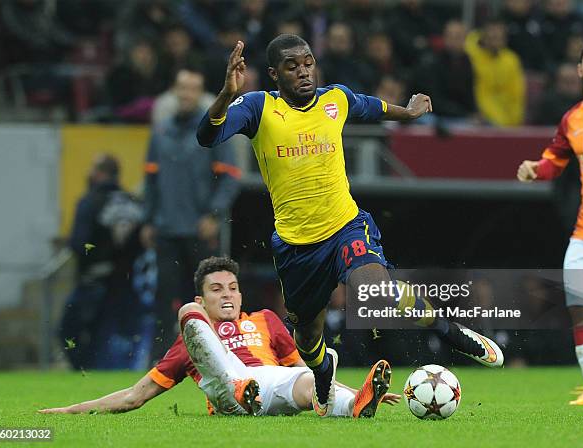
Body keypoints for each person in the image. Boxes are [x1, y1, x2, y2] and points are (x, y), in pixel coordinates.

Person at [196, 34, 504, 417]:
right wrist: (227, 93)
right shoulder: (258, 107)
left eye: (308, 62)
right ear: (275, 74)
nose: (304, 71)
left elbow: (372, 106)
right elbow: (206, 137)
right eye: (292, 66)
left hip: (346, 226)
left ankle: (447, 330)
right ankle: (324, 372)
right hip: (296, 245)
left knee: (375, 290)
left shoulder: (334, 99)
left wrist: (407, 113)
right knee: (307, 337)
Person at [40, 257, 397, 417]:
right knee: (186, 317)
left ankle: (356, 407)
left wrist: (355, 390)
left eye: (233, 288)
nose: (227, 295)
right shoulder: (190, 341)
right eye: (216, 289)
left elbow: (314, 373)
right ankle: (237, 387)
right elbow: (136, 396)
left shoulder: (266, 320)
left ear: (241, 295)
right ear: (203, 298)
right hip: (228, 394)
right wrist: (71, 410)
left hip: (268, 388)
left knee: (305, 380)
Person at [517, 32, 583, 406]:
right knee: (581, 309)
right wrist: (537, 168)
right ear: (580, 69)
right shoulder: (573, 120)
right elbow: (555, 161)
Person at [142, 69, 241, 363]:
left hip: (200, 230)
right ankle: (159, 362)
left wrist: (213, 214)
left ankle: (215, 358)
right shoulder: (160, 132)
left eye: (192, 89)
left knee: (207, 298)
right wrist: (148, 219)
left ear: (201, 94)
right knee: (164, 299)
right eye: (182, 88)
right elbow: (150, 179)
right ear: (175, 92)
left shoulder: (214, 129)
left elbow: (231, 178)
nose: (186, 94)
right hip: (166, 229)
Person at [59, 155, 144, 370]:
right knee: (109, 337)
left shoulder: (90, 201)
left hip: (93, 281)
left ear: (99, 173)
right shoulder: (133, 202)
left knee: (68, 330)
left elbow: (79, 243)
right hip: (127, 283)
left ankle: (83, 370)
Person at [465, 19, 526, 127]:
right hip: (483, 119)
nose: (495, 41)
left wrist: (516, 121)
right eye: (491, 37)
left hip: (508, 121)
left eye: (499, 37)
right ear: (483, 37)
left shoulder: (511, 60)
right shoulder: (472, 57)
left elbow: (517, 94)